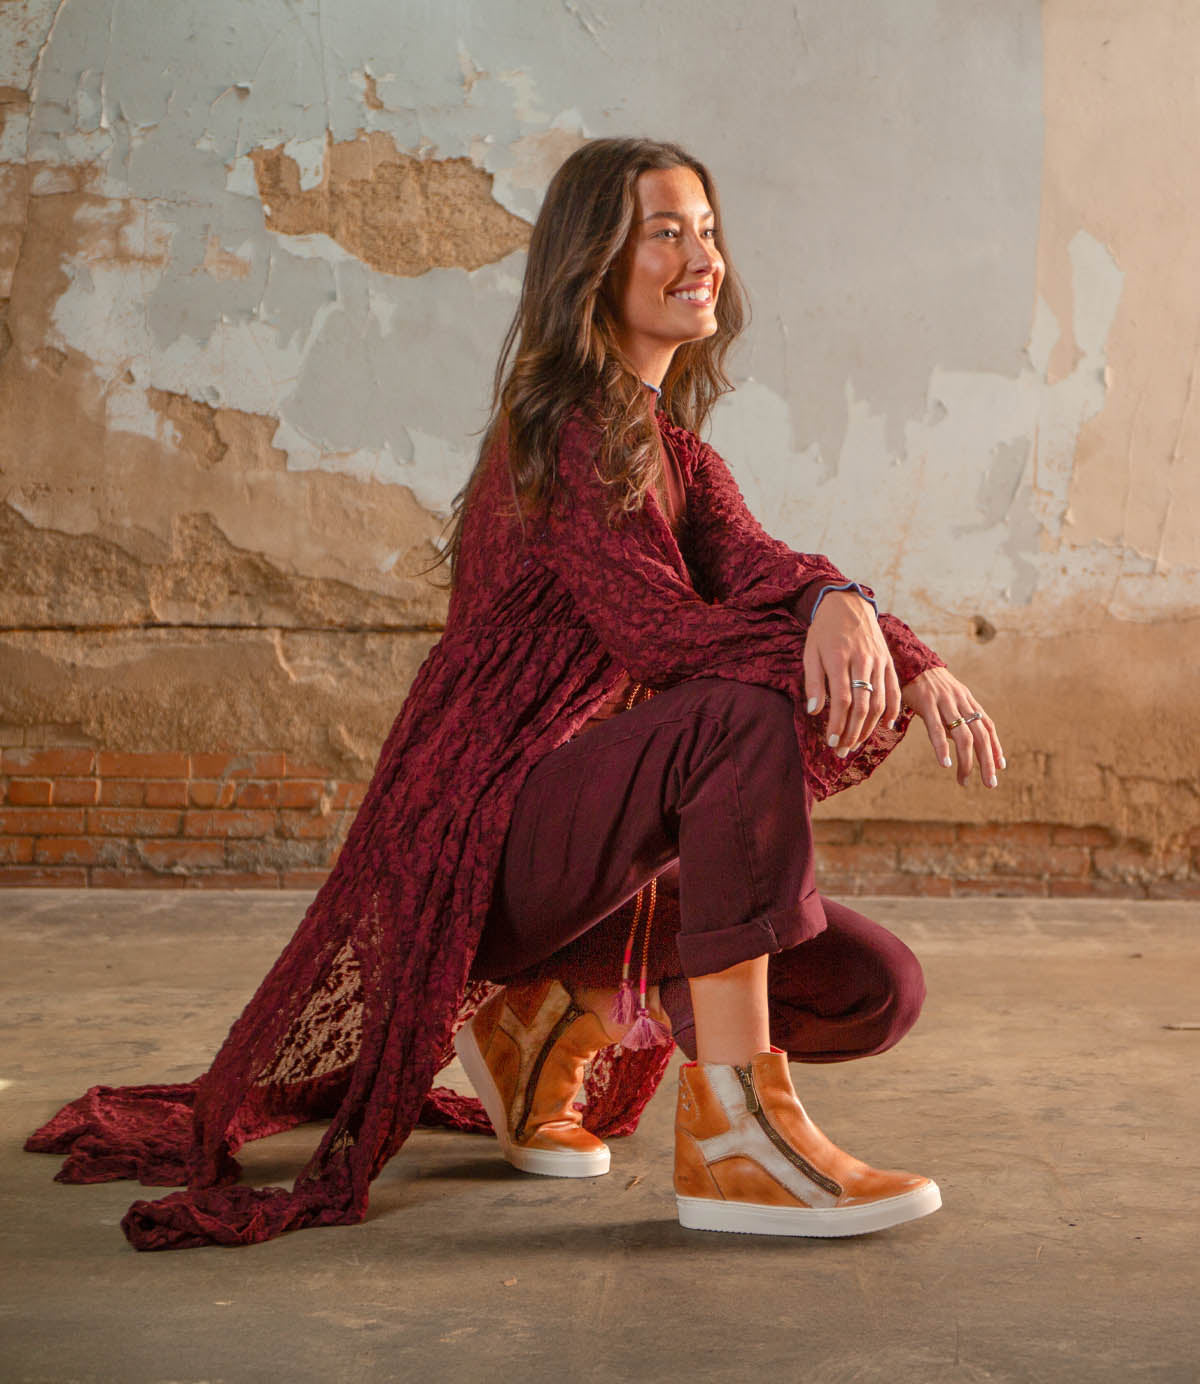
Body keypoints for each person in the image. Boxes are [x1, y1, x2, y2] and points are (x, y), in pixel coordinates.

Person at [25, 137, 1004, 1250]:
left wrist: (870, 621)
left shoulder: (679, 452)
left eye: (711, 229)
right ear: (595, 261)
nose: (703, 255)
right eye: (666, 231)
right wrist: (836, 625)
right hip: (479, 843)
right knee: (736, 713)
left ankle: (547, 1021)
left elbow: (765, 567)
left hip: (584, 856)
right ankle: (740, 1141)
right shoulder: (569, 430)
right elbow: (664, 630)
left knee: (878, 988)